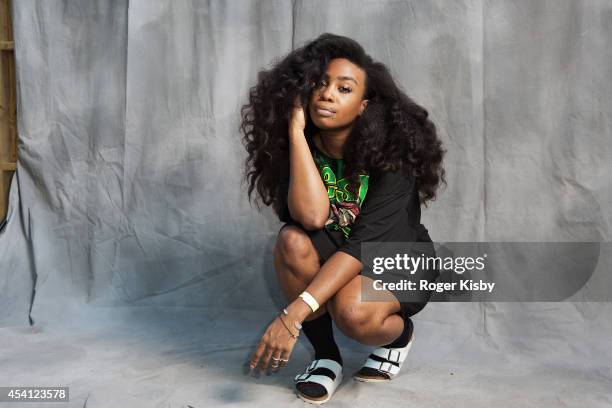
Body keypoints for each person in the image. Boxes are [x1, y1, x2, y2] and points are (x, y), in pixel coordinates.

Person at [240, 33, 446, 404]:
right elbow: (313, 217)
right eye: (320, 83)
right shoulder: (298, 147)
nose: (328, 94)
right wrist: (295, 133)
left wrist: (293, 315)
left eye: (344, 88)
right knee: (292, 240)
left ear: (364, 105)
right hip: (338, 247)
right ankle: (326, 359)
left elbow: (361, 247)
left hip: (395, 255)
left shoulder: (391, 158)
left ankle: (399, 336)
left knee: (353, 310)